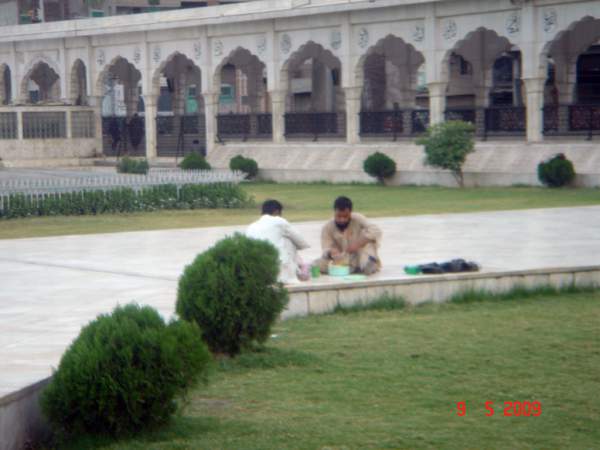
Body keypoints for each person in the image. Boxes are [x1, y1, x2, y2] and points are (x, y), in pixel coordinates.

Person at [246, 199, 310, 284]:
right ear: (277, 212)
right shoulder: (279, 221)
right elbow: (302, 243)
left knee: (280, 238)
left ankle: (296, 270)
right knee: (287, 240)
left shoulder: (251, 227)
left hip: (257, 271)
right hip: (278, 271)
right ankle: (296, 273)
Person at [317, 196, 382, 275]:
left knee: (367, 248)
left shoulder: (358, 218)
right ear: (334, 212)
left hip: (361, 253)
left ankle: (369, 265)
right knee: (318, 265)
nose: (342, 220)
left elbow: (376, 230)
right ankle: (353, 268)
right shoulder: (327, 227)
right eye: (339, 216)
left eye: (345, 216)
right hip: (344, 257)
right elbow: (325, 247)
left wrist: (358, 244)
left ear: (350, 213)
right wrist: (330, 252)